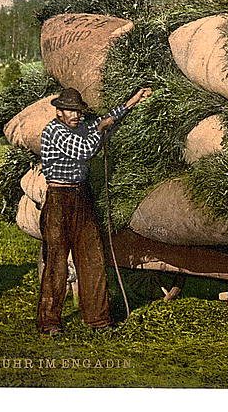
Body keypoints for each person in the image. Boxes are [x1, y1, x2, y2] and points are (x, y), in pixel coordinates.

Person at [37, 86, 152, 336]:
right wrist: (100, 130)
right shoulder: (54, 131)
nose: (76, 115)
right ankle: (49, 322)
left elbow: (107, 119)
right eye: (71, 111)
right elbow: (85, 151)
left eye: (78, 111)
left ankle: (98, 319)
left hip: (81, 197)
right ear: (59, 112)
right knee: (56, 261)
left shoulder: (80, 128)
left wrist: (133, 100)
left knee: (92, 258)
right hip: (58, 200)